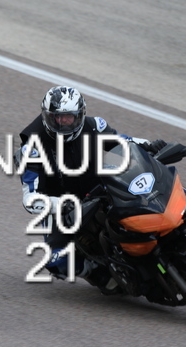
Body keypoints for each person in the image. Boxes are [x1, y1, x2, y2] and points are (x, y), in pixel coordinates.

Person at [17, 86, 167, 293]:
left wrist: (149, 146)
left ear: (80, 115)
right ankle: (99, 273)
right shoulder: (31, 149)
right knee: (55, 260)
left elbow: (122, 142)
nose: (63, 123)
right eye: (57, 118)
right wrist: (62, 205)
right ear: (46, 116)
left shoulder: (95, 126)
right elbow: (30, 198)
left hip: (101, 189)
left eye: (69, 118)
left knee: (150, 195)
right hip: (62, 206)